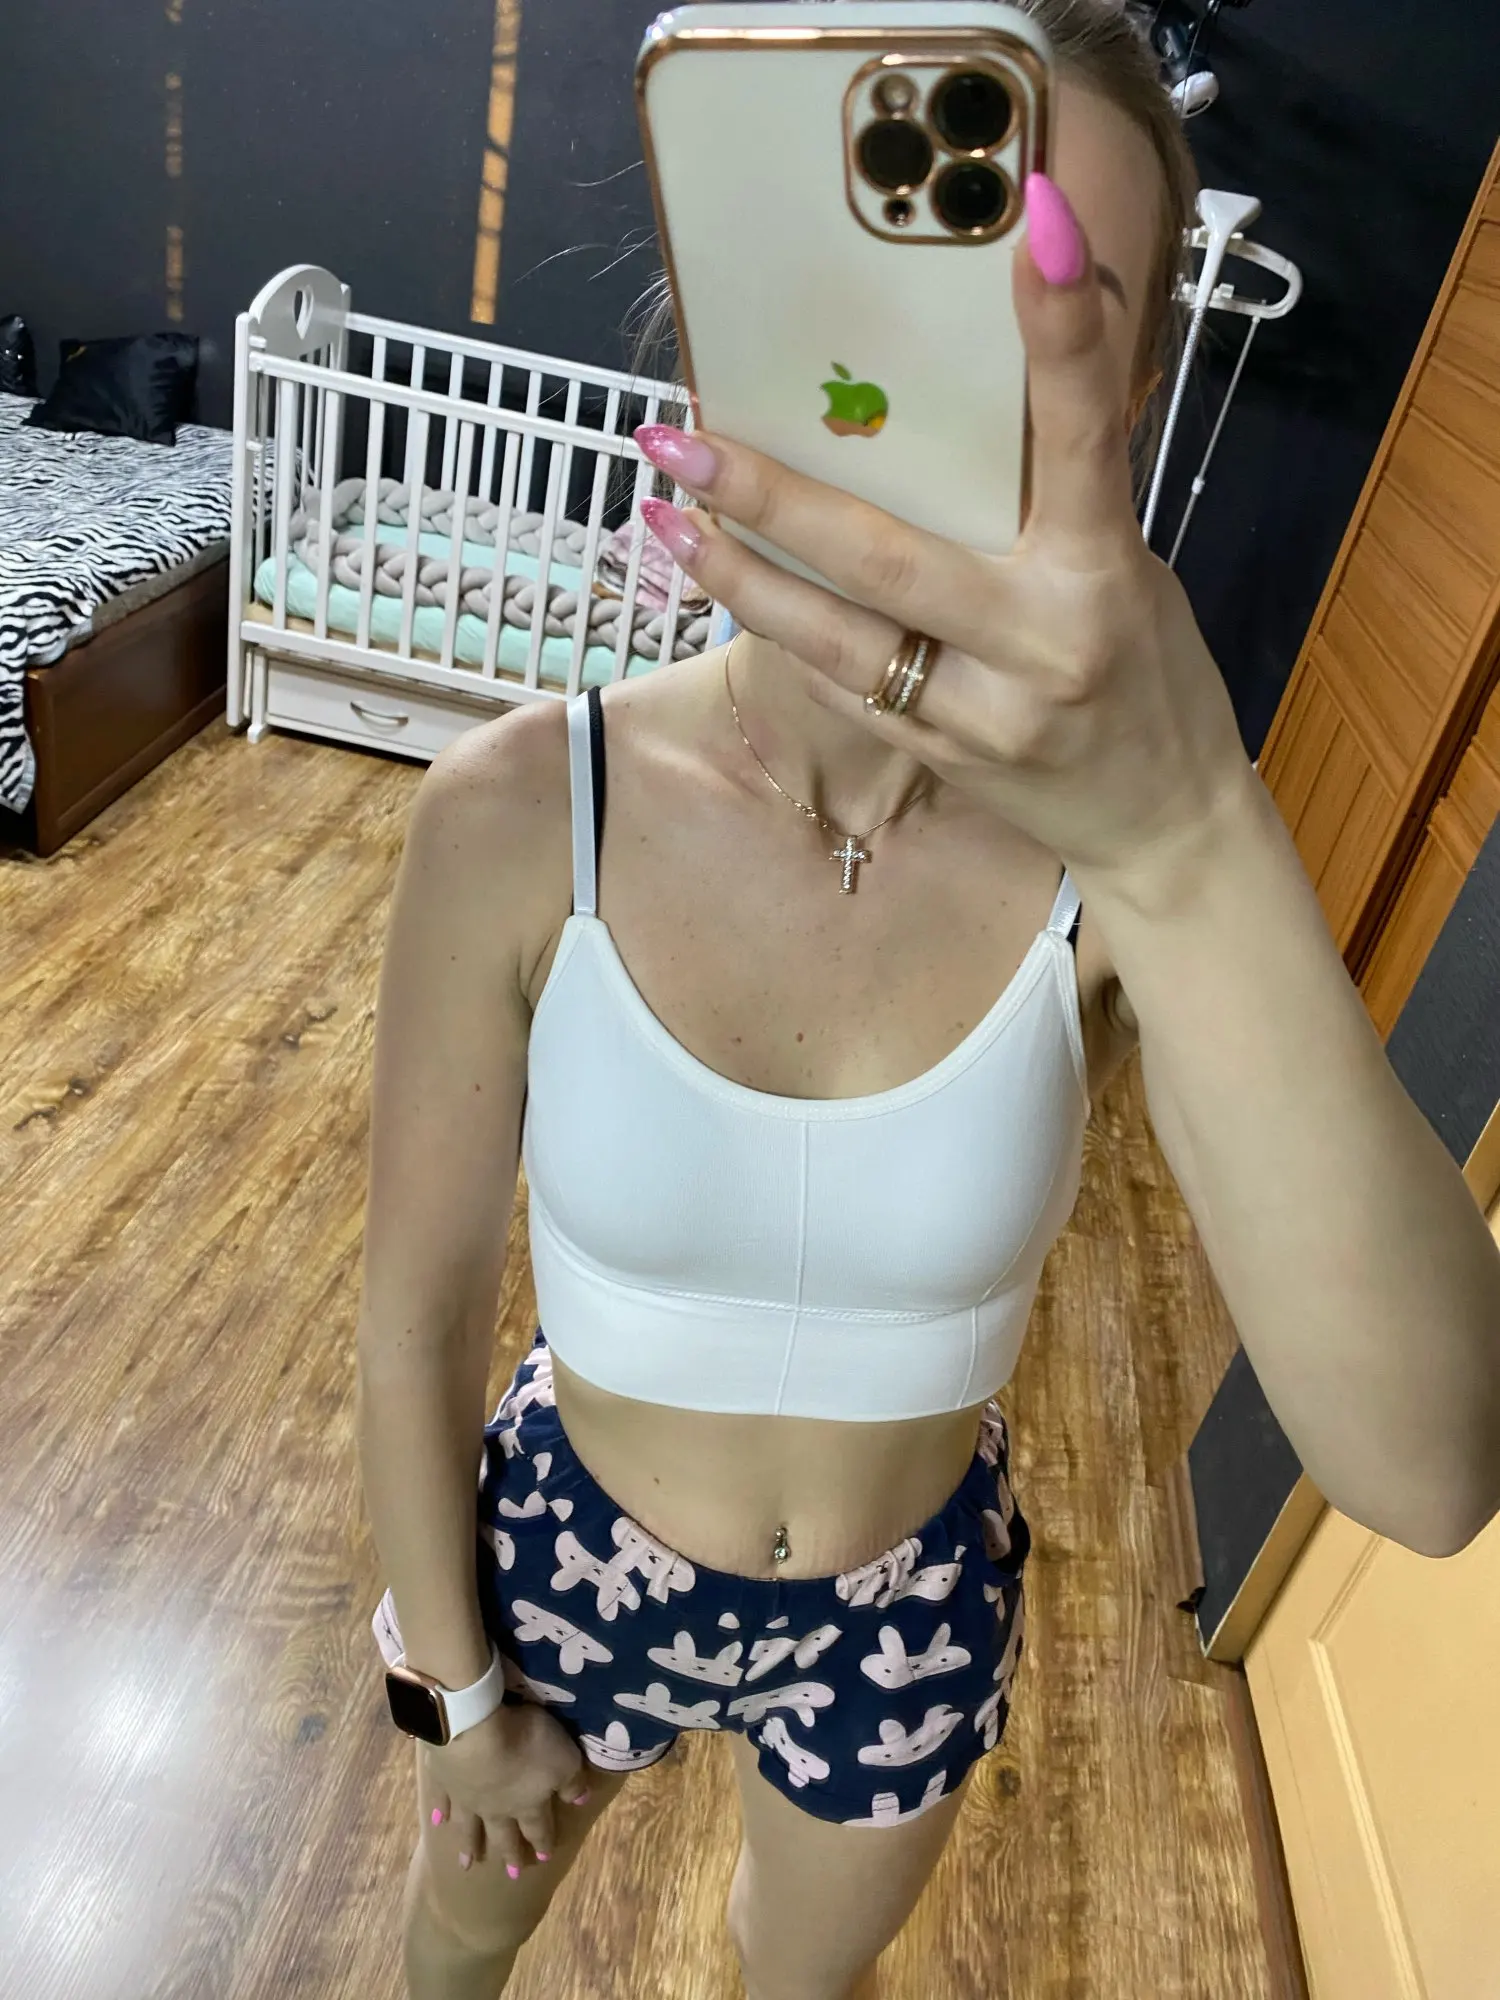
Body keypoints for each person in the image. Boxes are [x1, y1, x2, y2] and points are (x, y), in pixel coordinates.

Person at [355, 6, 1500, 1997]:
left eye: (1056, 323)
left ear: (1134, 395)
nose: (946, 391)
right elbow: (415, 1311)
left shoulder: (1128, 869)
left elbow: (1429, 1464)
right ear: (730, 332)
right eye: (884, 289)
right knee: (459, 1941)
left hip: (903, 1608)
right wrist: (451, 1694)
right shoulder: (519, 813)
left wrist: (1189, 834)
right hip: (567, 1546)